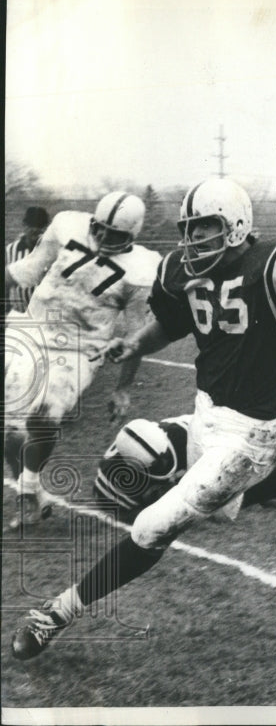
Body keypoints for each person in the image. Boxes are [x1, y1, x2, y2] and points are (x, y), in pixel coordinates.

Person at [10, 177, 276, 660]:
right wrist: (135, 343)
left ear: (236, 226)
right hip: (206, 413)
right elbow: (169, 324)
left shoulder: (275, 262)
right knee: (213, 493)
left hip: (251, 437)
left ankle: (55, 613)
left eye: (205, 229)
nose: (192, 241)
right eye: (188, 230)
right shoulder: (179, 271)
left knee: (150, 526)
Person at [4, 192, 161, 528]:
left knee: (45, 417)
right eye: (99, 229)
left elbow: (135, 335)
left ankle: (27, 494)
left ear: (132, 236)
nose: (103, 238)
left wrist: (123, 388)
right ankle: (32, 492)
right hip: (32, 329)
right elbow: (28, 270)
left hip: (79, 349)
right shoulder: (67, 225)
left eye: (115, 235)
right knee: (10, 429)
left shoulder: (141, 270)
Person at [92, 362, 276, 521]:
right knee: (218, 502)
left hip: (213, 430)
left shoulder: (175, 444)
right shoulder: (115, 480)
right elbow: (132, 513)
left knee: (223, 500)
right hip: (202, 436)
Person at [5, 206, 50, 316]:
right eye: (31, 225)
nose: (35, 229)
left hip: (44, 314)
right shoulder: (10, 250)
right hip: (19, 313)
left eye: (40, 226)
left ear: (47, 228)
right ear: (24, 226)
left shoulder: (52, 252)